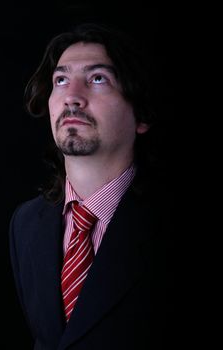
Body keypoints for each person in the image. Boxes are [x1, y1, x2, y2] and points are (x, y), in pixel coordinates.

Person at [9, 22, 174, 350]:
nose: (72, 96)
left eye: (98, 78)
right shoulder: (24, 225)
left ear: (141, 115)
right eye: (61, 79)